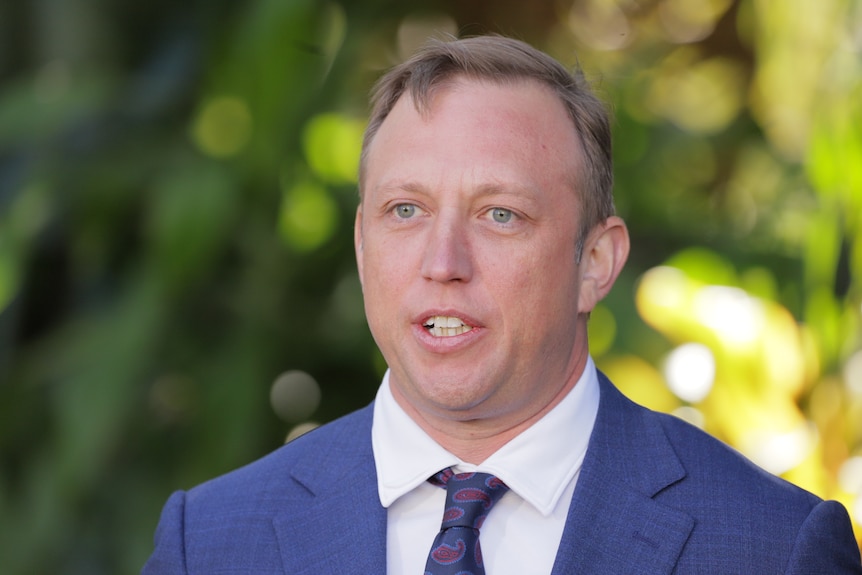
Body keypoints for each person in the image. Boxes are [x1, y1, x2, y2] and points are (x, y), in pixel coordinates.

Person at [142, 35, 862, 574]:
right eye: (405, 210)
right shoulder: (207, 541)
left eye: (501, 215)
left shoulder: (773, 547)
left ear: (596, 262)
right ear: (362, 245)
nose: (443, 264)